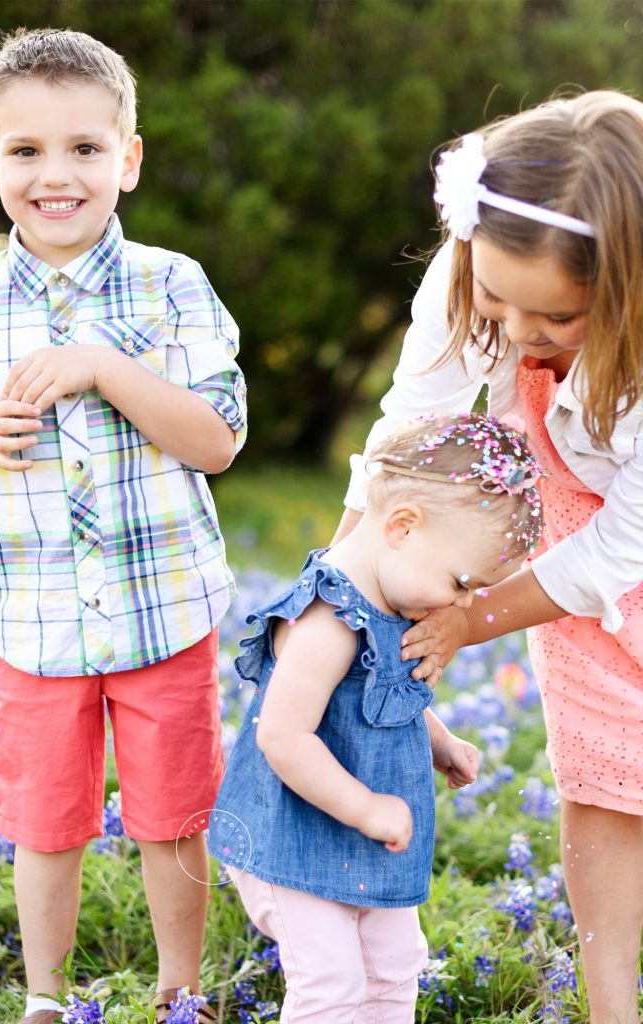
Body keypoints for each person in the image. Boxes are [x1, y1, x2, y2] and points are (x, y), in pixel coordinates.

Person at [0, 28, 246, 1024]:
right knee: (44, 821)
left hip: (162, 606)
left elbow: (215, 440)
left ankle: (182, 991)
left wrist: (101, 366)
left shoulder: (172, 283)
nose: (56, 174)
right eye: (26, 151)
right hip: (32, 619)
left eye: (84, 147)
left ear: (127, 158)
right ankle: (45, 997)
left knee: (172, 816)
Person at [334, 90, 643, 1024]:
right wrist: (338, 583)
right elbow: (411, 428)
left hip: (614, 535)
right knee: (603, 776)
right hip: (568, 549)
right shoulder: (470, 278)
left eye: (554, 319)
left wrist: (474, 617)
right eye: (496, 300)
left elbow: (626, 537)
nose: (515, 333)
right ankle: (609, 1007)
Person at [208, 412, 543, 1024]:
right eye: (462, 582)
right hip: (297, 833)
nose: (465, 605)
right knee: (332, 981)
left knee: (395, 966)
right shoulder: (326, 621)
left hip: (373, 834)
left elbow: (385, 695)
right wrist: (367, 808)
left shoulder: (396, 596)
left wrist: (439, 739)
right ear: (402, 527)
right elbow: (282, 736)